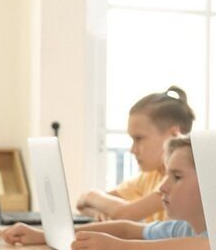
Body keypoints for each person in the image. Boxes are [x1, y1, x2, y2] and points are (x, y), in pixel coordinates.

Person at [3, 135, 209, 250]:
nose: (163, 187)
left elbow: (211, 249)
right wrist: (44, 236)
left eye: (177, 177)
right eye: (166, 176)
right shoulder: (182, 228)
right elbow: (126, 229)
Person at [77, 85, 195, 223]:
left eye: (139, 138)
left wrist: (91, 194)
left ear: (174, 135)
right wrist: (100, 212)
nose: (132, 149)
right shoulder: (148, 177)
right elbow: (82, 205)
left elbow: (126, 213)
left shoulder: (178, 181)